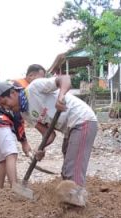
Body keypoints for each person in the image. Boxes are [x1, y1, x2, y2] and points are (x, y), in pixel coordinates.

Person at [25, 73, 98, 203]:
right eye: (5, 107)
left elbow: (65, 79)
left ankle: (77, 212)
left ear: (13, 94)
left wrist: (61, 96)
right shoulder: (24, 113)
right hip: (69, 129)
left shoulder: (34, 88)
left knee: (73, 169)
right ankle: (70, 203)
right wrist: (39, 149)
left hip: (82, 119)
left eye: (6, 102)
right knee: (66, 171)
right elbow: (49, 135)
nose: (8, 107)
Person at [0, 81, 33, 190]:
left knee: (3, 159)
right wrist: (24, 143)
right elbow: (18, 122)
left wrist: (24, 143)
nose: (6, 106)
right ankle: (15, 187)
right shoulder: (17, 102)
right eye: (2, 104)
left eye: (5, 103)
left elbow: (18, 123)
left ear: (13, 93)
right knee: (11, 154)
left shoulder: (19, 97)